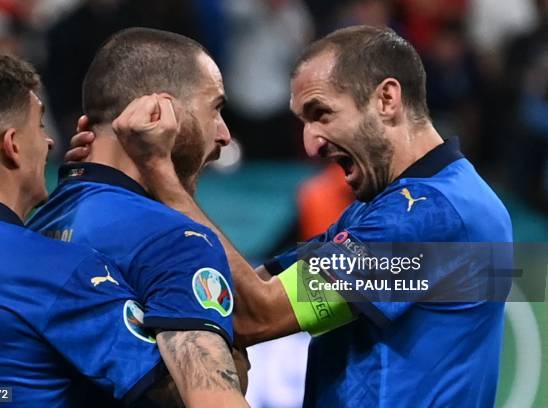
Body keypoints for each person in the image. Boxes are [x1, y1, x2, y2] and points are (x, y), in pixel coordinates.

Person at [69, 25, 513, 407]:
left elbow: (259, 315)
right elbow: (241, 298)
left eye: (322, 114)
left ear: (387, 99)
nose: (311, 144)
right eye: (303, 121)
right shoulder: (393, 207)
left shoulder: (435, 217)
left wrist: (160, 175)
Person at [0, 50, 182, 407]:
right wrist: (161, 169)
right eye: (39, 125)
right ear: (12, 145)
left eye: (299, 115)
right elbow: (180, 394)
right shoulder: (60, 272)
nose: (50, 141)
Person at [28, 28, 249, 408]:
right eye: (215, 108)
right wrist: (237, 358)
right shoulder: (177, 241)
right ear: (160, 112)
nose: (224, 134)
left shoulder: (30, 225)